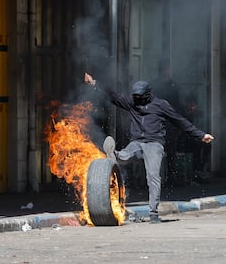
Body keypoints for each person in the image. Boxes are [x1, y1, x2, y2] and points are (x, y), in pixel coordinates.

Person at [84, 72, 214, 223]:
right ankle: (116, 154)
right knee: (126, 155)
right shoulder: (132, 102)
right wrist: (94, 83)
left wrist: (200, 135)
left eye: (140, 96)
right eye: (135, 96)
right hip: (137, 142)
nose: (137, 99)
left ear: (148, 94)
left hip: (154, 144)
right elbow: (113, 96)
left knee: (153, 177)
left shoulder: (161, 105)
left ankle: (153, 213)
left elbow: (180, 121)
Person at [149, 58, 181, 185]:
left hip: (169, 122)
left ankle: (171, 178)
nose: (167, 72)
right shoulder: (154, 85)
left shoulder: (173, 86)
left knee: (171, 151)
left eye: (168, 69)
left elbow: (177, 106)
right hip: (157, 122)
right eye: (165, 69)